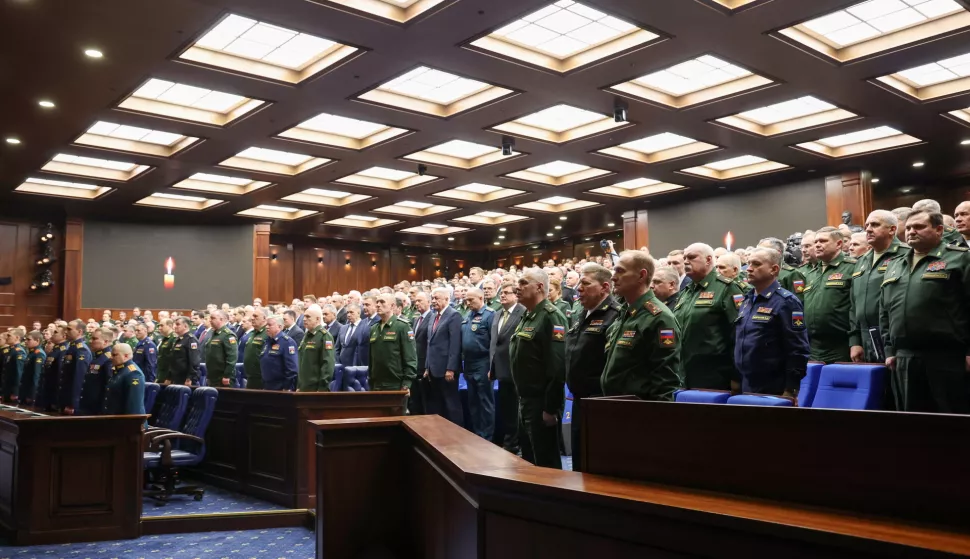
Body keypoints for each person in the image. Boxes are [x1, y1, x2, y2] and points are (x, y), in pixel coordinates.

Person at [880, 209, 970, 413]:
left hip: (945, 357)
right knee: (911, 423)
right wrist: (889, 350)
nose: (911, 231)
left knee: (948, 422)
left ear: (939, 230)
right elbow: (885, 311)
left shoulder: (960, 259)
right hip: (903, 358)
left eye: (919, 227)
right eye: (909, 227)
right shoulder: (895, 264)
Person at [601, 250, 684, 401]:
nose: (613, 277)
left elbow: (665, 381)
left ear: (641, 275)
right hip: (614, 406)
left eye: (620, 271)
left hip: (640, 413)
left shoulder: (659, 318)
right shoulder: (625, 313)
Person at [565, 263, 621, 472]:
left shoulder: (614, 315)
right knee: (580, 458)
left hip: (600, 400)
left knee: (598, 462)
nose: (579, 288)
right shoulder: (583, 312)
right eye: (579, 283)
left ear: (605, 287)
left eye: (586, 284)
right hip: (580, 399)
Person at [733, 248, 810, 397]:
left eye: (756, 264)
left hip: (774, 386)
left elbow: (798, 349)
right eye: (749, 263)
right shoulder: (747, 300)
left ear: (774, 269)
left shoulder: (786, 302)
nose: (748, 268)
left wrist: (791, 388)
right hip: (747, 382)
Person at [510, 269, 566, 469]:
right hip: (525, 399)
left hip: (541, 401)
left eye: (524, 283)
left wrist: (550, 408)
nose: (518, 287)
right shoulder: (529, 315)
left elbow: (557, 368)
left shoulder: (551, 316)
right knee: (530, 459)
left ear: (540, 287)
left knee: (546, 462)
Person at [672, 243, 744, 390]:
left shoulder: (726, 288)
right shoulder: (686, 291)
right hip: (684, 374)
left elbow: (738, 336)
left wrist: (736, 376)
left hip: (715, 376)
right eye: (685, 258)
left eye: (692, 257)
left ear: (709, 260)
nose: (686, 261)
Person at [850, 210, 909, 364]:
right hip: (865, 337)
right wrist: (855, 341)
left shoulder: (906, 255)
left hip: (895, 337)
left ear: (892, 230)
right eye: (867, 225)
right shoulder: (861, 261)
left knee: (894, 386)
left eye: (875, 225)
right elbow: (853, 304)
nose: (868, 229)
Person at [803, 227, 857, 363]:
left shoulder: (852, 268)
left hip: (842, 345)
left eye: (823, 241)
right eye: (816, 242)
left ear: (839, 244)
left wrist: (856, 341)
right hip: (813, 346)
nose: (817, 245)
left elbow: (857, 307)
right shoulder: (810, 273)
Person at [490, 281, 525, 453]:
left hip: (515, 369)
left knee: (514, 409)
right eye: (501, 293)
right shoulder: (497, 314)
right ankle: (509, 440)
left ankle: (514, 443)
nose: (502, 295)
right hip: (501, 369)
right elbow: (494, 343)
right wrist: (492, 366)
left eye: (506, 292)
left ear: (516, 295)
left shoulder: (522, 312)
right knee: (505, 409)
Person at [424, 287, 463, 424]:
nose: (433, 301)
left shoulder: (454, 315)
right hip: (433, 369)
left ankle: (457, 434)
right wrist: (427, 367)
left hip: (447, 369)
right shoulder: (434, 316)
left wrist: (451, 368)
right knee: (437, 404)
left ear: (447, 299)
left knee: (451, 404)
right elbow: (430, 343)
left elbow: (455, 344)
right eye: (432, 298)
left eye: (437, 298)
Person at [461, 288, 495, 440]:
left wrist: (492, 366)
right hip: (469, 362)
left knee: (485, 401)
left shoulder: (490, 315)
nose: (468, 303)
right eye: (466, 300)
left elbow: (494, 342)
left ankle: (486, 436)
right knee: (473, 401)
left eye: (471, 300)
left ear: (481, 298)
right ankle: (476, 434)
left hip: (483, 362)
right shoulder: (468, 315)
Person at [367, 294, 417, 393]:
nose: (378, 305)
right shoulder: (374, 328)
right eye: (377, 302)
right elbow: (371, 358)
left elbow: (410, 357)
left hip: (396, 383)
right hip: (376, 383)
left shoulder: (402, 326)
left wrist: (407, 383)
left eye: (382, 302)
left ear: (393, 306)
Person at [298, 305, 335, 392]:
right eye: (304, 316)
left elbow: (328, 364)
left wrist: (322, 388)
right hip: (304, 387)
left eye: (308, 317)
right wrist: (299, 385)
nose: (304, 319)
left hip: (316, 388)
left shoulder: (324, 336)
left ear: (318, 319)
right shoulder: (306, 336)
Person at [59, 320, 92, 415]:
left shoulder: (81, 350)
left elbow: (79, 378)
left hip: (71, 400)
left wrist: (73, 403)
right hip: (65, 396)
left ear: (80, 332)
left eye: (69, 329)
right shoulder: (72, 347)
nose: (66, 332)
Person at [104, 343, 146, 416]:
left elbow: (133, 406)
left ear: (126, 356)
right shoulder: (120, 370)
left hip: (128, 423)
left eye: (114, 355)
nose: (111, 358)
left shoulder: (133, 373)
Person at [79, 328, 113, 415]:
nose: (90, 341)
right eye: (91, 338)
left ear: (105, 342)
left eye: (95, 339)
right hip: (88, 404)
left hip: (97, 407)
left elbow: (109, 386)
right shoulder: (97, 356)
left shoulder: (108, 359)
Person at [260, 315, 299, 391]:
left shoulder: (287, 342)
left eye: (270, 325)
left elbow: (292, 369)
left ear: (280, 327)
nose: (267, 327)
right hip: (267, 386)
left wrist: (287, 387)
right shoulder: (267, 341)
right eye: (266, 325)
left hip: (280, 388)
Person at [410, 292, 433, 415]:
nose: (417, 303)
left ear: (429, 302)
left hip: (424, 365)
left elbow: (430, 343)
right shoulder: (416, 319)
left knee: (426, 401)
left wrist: (427, 366)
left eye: (420, 301)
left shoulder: (432, 318)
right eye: (416, 301)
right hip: (415, 364)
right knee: (415, 400)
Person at [206, 310, 238, 387]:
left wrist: (227, 375)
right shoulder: (214, 333)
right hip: (213, 376)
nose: (210, 320)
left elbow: (232, 357)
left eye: (213, 318)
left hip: (223, 377)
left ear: (221, 319)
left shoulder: (227, 335)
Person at [39, 325, 67, 410]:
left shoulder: (63, 350)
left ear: (64, 336)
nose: (53, 334)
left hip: (54, 393)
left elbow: (60, 374)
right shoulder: (56, 349)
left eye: (56, 332)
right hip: (48, 390)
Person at [242, 309, 269, 389]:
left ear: (264, 318)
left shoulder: (267, 333)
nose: (252, 318)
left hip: (261, 378)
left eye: (255, 316)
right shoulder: (253, 333)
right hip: (250, 377)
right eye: (252, 316)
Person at [170, 317, 201, 386]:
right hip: (176, 377)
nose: (175, 326)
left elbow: (194, 361)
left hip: (185, 379)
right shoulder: (178, 339)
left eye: (178, 324)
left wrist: (190, 378)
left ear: (185, 326)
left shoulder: (191, 340)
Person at [19, 331, 45, 405]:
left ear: (37, 341)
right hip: (25, 390)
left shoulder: (39, 354)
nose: (26, 341)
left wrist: (32, 394)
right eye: (25, 339)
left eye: (29, 339)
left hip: (29, 392)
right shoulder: (31, 352)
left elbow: (36, 375)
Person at [1, 328, 26, 403]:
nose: (7, 337)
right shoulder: (9, 350)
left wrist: (15, 392)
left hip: (11, 389)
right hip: (6, 388)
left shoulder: (19, 352)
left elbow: (18, 373)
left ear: (17, 337)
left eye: (9, 335)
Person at [354, 295, 379, 367]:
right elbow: (358, 345)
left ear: (375, 306)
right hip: (360, 364)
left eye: (367, 305)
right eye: (363, 305)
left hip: (372, 364)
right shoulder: (362, 322)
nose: (364, 307)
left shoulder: (380, 321)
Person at [335, 304, 362, 370]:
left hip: (357, 367)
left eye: (351, 312)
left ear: (358, 313)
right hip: (342, 366)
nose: (349, 315)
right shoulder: (343, 328)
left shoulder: (365, 327)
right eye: (347, 312)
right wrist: (338, 363)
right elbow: (337, 348)